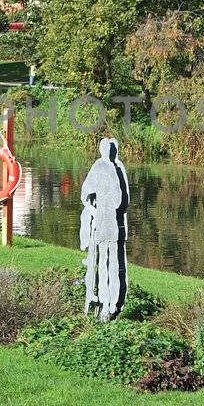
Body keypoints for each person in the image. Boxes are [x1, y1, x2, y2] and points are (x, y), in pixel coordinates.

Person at [79, 137, 130, 322]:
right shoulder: (109, 169)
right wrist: (94, 206)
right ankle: (105, 303)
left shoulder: (107, 168)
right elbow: (118, 200)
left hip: (107, 224)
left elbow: (119, 200)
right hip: (106, 224)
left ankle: (109, 304)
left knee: (110, 263)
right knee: (106, 263)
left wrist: (96, 205)